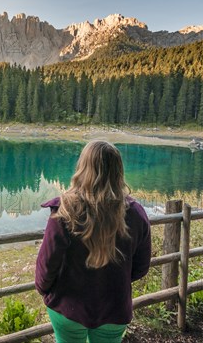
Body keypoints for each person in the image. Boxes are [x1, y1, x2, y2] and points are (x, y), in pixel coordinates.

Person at [35, 140, 152, 343]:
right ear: (118, 171)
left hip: (67, 307)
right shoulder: (135, 213)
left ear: (83, 168)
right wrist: (113, 282)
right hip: (114, 308)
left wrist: (45, 290)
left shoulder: (65, 212)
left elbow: (47, 264)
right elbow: (141, 267)